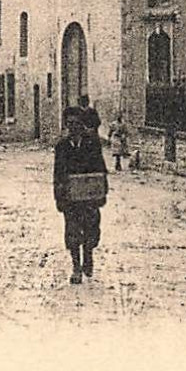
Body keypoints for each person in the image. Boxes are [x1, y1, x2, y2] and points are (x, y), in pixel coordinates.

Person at [53, 106, 108, 284]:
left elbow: (100, 167)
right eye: (69, 124)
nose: (73, 128)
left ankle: (89, 255)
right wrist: (58, 196)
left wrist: (102, 191)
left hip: (89, 196)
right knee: (73, 231)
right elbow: (58, 173)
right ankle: (76, 266)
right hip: (70, 197)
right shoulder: (62, 146)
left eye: (76, 123)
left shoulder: (92, 142)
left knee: (92, 229)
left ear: (82, 124)